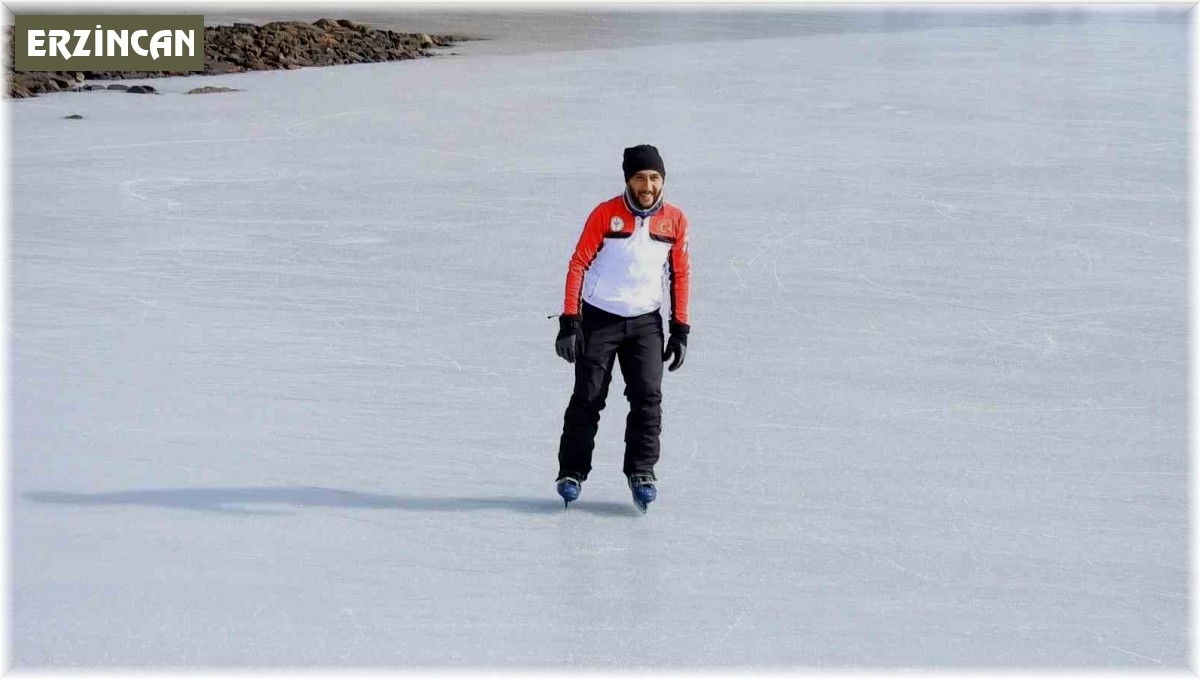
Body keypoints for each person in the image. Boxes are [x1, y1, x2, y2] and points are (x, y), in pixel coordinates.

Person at [553, 144, 691, 511]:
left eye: (655, 178)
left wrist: (680, 328)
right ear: (628, 180)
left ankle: (641, 470)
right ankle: (572, 472)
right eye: (640, 178)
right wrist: (570, 321)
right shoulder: (605, 214)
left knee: (648, 398)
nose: (648, 186)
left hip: (646, 322)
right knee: (588, 396)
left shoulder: (674, 220)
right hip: (600, 318)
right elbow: (578, 264)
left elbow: (680, 274)